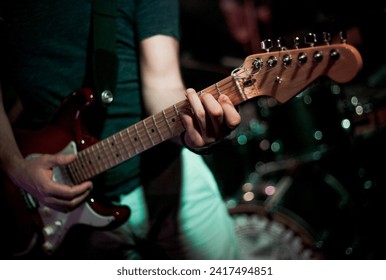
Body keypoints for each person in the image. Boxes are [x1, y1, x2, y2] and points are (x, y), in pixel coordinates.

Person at [0, 0, 241, 259]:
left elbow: (163, 83)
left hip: (173, 186)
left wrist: (190, 132)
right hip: (60, 204)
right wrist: (15, 167)